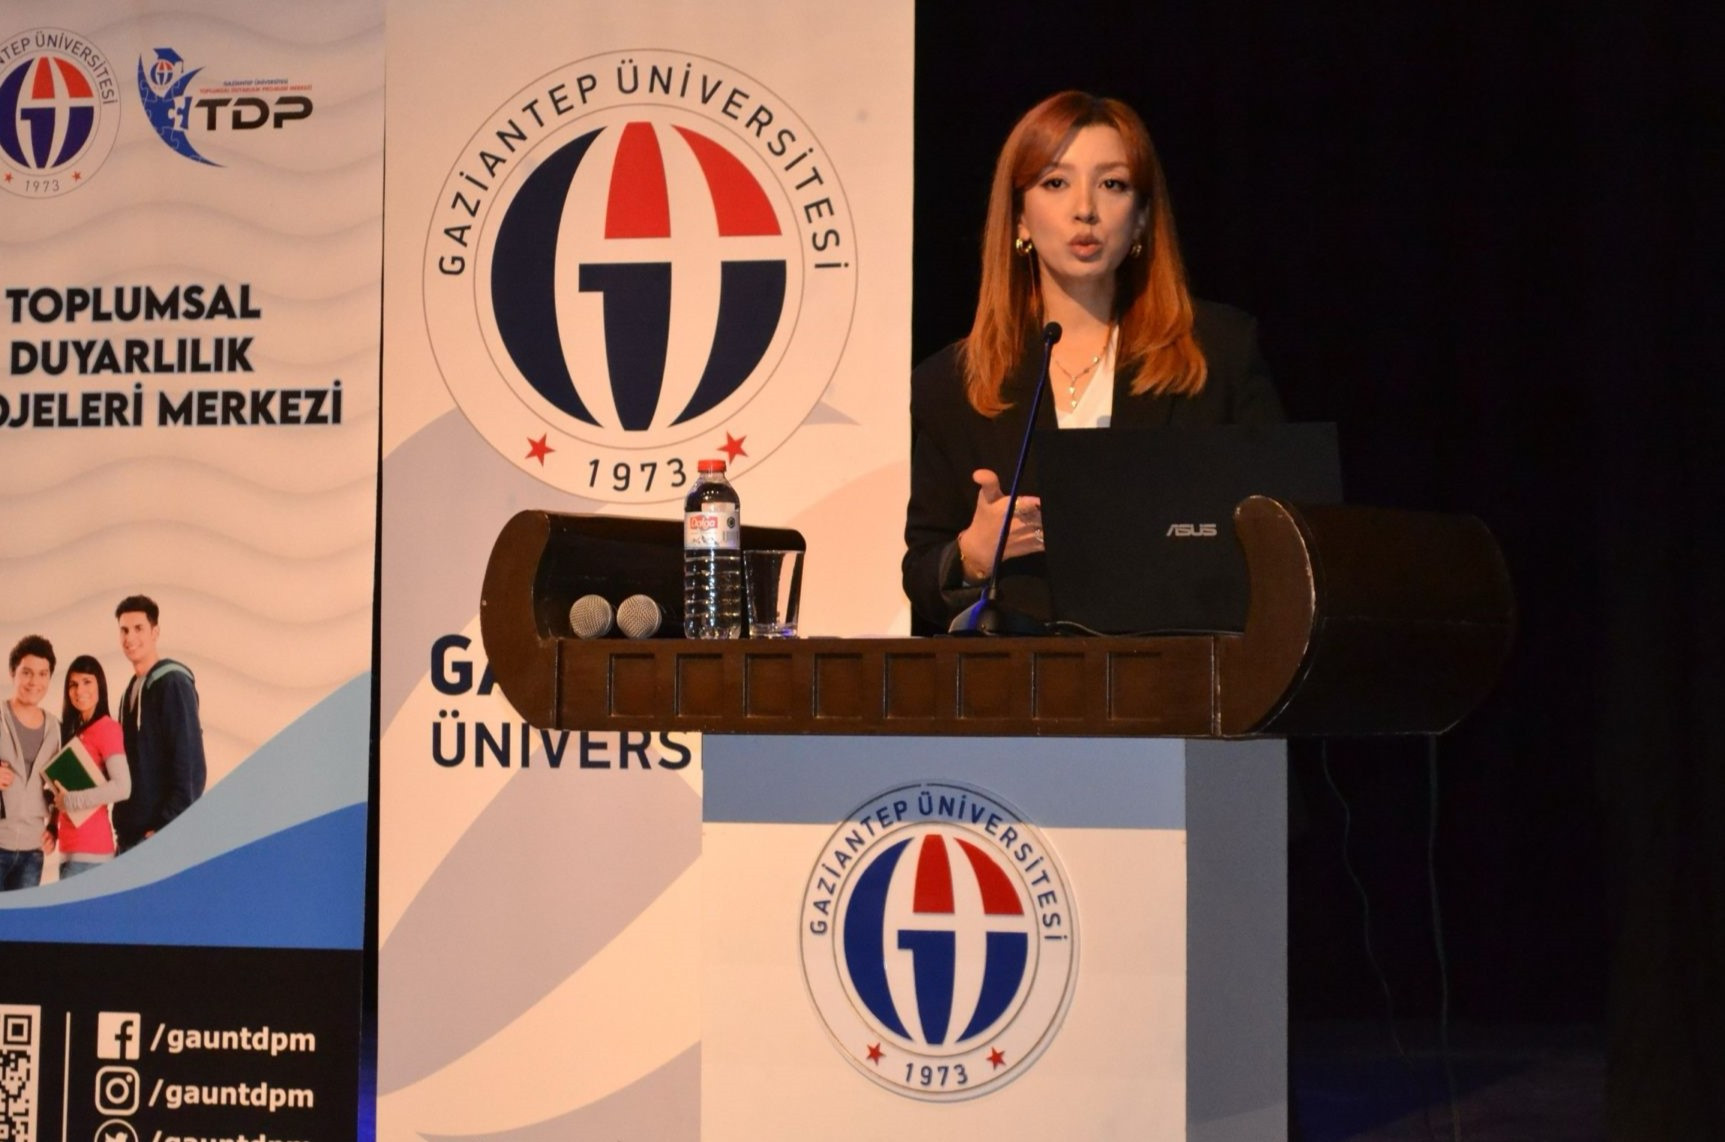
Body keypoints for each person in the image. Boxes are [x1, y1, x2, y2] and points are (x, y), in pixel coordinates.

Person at [903, 91, 1285, 631]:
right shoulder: (952, 384)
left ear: (1142, 217)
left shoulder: (1219, 352)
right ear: (1019, 218)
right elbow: (922, 572)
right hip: (1026, 675)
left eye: (1113, 184)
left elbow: (1285, 536)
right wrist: (972, 556)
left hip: (1183, 667)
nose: (1085, 208)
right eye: (1056, 183)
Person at [112, 595, 206, 851]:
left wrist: (166, 828)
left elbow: (190, 767)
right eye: (124, 630)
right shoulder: (131, 691)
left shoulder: (173, 683)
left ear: (155, 632)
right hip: (129, 837)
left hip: (158, 836)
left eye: (138, 628)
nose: (130, 637)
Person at [51, 655, 132, 878]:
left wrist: (72, 801)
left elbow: (122, 787)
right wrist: (52, 825)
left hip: (91, 855)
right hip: (68, 852)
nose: (79, 691)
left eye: (87, 682)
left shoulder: (108, 728)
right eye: (73, 684)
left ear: (100, 686)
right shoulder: (73, 732)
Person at [0, 635, 60, 889]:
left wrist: (54, 827)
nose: (34, 682)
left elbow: (60, 787)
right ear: (13, 673)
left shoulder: (55, 728)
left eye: (42, 674)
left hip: (32, 853)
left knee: (22, 917)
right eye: (27, 673)